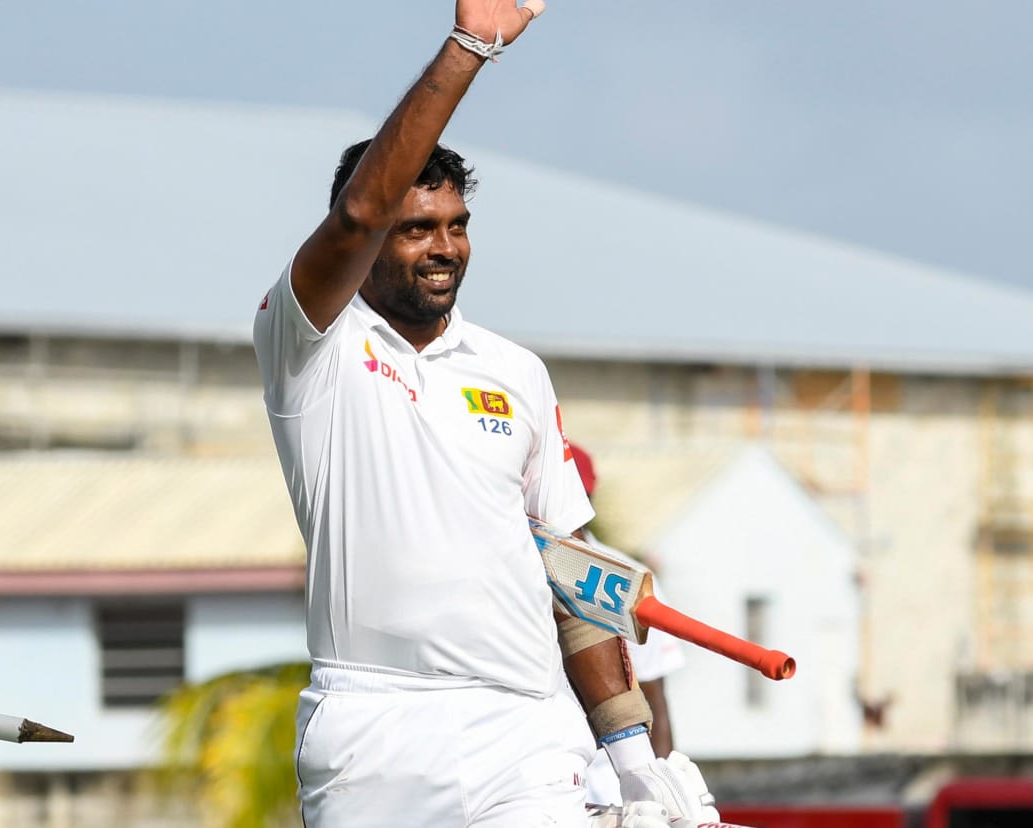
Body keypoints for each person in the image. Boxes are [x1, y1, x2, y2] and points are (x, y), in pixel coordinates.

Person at [251, 2, 718, 825]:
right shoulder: (306, 343)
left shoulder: (515, 372)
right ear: (366, 246)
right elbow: (359, 213)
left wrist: (634, 757)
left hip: (523, 731)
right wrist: (471, 47)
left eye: (457, 227)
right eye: (417, 229)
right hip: (372, 730)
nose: (445, 247)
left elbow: (572, 576)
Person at [566, 444, 689, 807]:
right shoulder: (512, 571)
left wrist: (662, 799)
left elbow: (656, 700)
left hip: (613, 789)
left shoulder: (633, 581)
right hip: (536, 787)